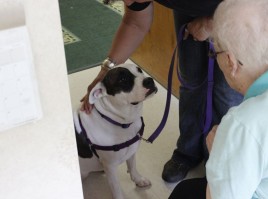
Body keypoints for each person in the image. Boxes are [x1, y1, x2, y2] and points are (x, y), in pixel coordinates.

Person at [80, 0, 243, 183]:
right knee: (191, 80)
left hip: (244, 9)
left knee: (227, 91)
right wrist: (106, 69)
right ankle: (187, 151)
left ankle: (224, 162)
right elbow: (134, 22)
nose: (129, 3)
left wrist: (211, 23)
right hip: (193, 6)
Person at [169, 0, 268, 198]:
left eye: (215, 52)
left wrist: (219, 157)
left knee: (183, 192)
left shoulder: (242, 124)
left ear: (231, 62)